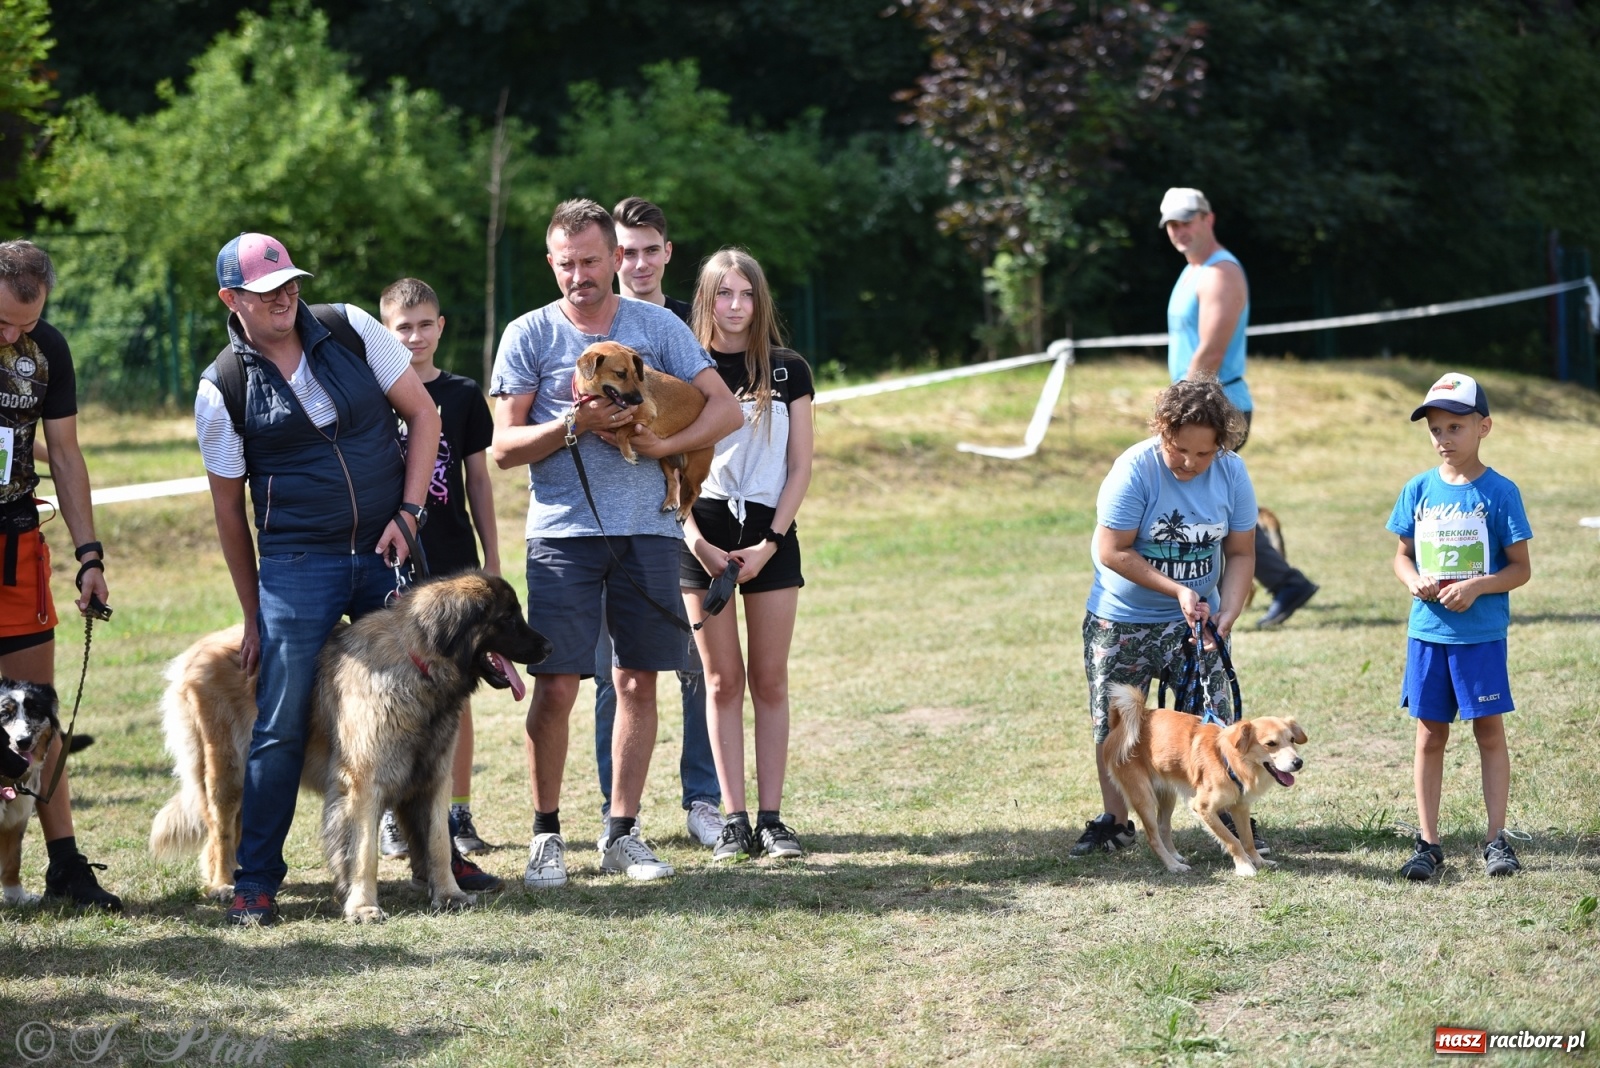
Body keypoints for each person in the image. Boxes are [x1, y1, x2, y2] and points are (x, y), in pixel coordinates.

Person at [489, 199, 740, 889]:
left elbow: (725, 408)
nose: (581, 276)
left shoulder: (655, 326)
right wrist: (574, 424)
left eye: (593, 261)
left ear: (614, 256)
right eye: (566, 264)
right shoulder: (528, 335)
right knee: (558, 683)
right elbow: (503, 448)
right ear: (551, 263)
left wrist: (665, 444)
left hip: (650, 533)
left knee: (637, 680)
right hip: (562, 535)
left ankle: (622, 833)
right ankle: (546, 836)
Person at [196, 233, 441, 925]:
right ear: (231, 300)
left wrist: (412, 512)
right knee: (278, 721)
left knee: (425, 694)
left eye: (290, 283)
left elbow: (424, 414)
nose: (285, 298)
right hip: (297, 566)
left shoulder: (351, 327)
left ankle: (436, 858)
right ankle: (256, 881)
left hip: (386, 546)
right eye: (267, 291)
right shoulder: (222, 387)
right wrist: (252, 614)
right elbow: (227, 512)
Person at [1071, 378, 1256, 857]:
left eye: (1204, 453)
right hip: (1123, 618)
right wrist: (1177, 588)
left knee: (1214, 721)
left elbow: (1239, 552)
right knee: (1118, 725)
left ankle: (1226, 811)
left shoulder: (1233, 474)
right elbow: (1113, 551)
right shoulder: (1134, 469)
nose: (1191, 464)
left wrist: (1228, 613)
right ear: (1162, 431)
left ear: (1222, 445)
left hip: (1198, 621)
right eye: (1180, 451)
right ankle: (1116, 822)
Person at [592, 197, 724, 850]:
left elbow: (720, 416)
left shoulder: (688, 330)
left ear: (668, 253)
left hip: (685, 521)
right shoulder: (593, 333)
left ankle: (703, 798)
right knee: (614, 674)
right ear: (611, 257)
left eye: (650, 249)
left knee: (696, 666)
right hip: (606, 532)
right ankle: (620, 814)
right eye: (627, 251)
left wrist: (673, 465)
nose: (639, 263)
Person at [680, 249, 814, 862]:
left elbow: (800, 466)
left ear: (760, 301)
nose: (735, 307)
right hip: (698, 535)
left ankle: (771, 819)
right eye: (723, 294)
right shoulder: (682, 366)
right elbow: (666, 465)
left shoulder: (788, 371)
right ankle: (732, 819)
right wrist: (695, 540)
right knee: (720, 679)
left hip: (770, 539)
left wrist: (771, 543)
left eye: (746, 295)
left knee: (769, 679)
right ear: (706, 299)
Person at [0, 239, 120, 911]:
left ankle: (65, 864)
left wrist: (89, 555)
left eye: (26, 322)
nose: (15, 336)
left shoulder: (48, 349)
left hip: (15, 549)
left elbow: (67, 455)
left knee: (35, 710)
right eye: (2, 325)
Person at [375, 278, 504, 895]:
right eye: (402, 327)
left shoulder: (461, 394)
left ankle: (456, 808)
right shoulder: (376, 392)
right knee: (396, 691)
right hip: (395, 559)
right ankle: (389, 815)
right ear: (385, 331)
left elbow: (478, 480)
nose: (415, 337)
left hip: (452, 559)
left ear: (441, 327)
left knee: (456, 688)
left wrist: (492, 559)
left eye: (425, 325)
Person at [1386, 372, 1531, 880]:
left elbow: (1520, 568)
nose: (1444, 439)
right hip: (1428, 633)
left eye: (1455, 427)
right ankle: (1428, 842)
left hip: (1481, 637)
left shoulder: (1500, 492)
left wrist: (1476, 587)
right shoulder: (1417, 490)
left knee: (1489, 732)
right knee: (1429, 736)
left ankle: (1497, 840)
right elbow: (1402, 557)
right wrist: (1413, 581)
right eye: (1436, 430)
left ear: (1483, 427)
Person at [1160, 187, 1319, 629]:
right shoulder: (1192, 271)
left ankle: (1281, 583)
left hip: (1217, 406)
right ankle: (1283, 583)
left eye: (1187, 220)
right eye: (1171, 224)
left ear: (1209, 219)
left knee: (1214, 505)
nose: (1179, 230)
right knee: (1218, 505)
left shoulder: (1220, 273)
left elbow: (1209, 352)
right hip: (1196, 403)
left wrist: (1179, 411)